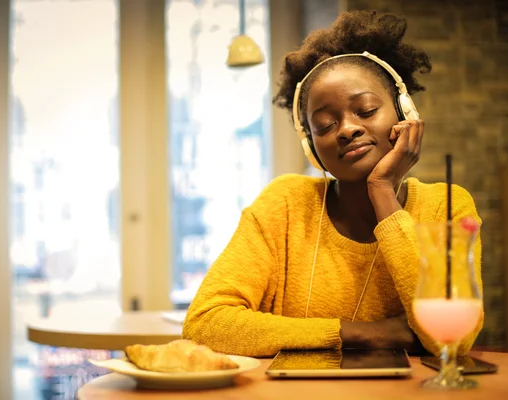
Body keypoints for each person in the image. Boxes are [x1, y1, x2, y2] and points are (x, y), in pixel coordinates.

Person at [182, 10, 483, 357]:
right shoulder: (284, 204)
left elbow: (454, 341)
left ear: (405, 114)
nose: (346, 129)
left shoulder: (446, 204)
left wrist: (383, 191)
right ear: (311, 147)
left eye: (366, 111)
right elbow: (205, 325)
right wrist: (365, 333)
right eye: (325, 126)